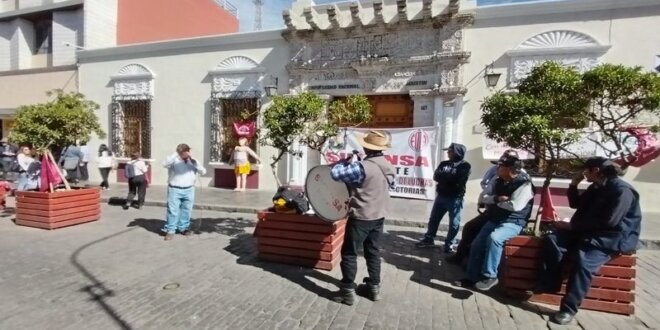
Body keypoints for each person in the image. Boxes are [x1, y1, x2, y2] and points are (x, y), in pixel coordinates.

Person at [532, 157, 641, 325]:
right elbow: (576, 204)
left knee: (583, 262)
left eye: (586, 170)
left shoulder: (622, 190)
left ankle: (568, 309)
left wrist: (572, 226)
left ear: (595, 171)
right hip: (586, 231)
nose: (583, 173)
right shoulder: (595, 186)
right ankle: (549, 284)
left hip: (610, 238)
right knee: (552, 239)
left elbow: (610, 222)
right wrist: (573, 185)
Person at [330, 130, 395, 305]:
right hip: (379, 215)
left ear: (366, 147)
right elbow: (390, 185)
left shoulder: (362, 167)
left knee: (350, 253)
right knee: (373, 252)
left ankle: (348, 291)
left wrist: (344, 161)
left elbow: (335, 173)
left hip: (361, 216)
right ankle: (373, 288)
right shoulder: (388, 165)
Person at [458, 154, 534, 291]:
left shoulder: (525, 184)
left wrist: (494, 202)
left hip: (514, 221)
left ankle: (490, 275)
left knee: (495, 239)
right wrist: (497, 199)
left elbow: (515, 206)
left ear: (511, 169)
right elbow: (484, 197)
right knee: (476, 244)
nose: (497, 168)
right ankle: (471, 277)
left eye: (500, 166)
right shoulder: (497, 180)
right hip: (495, 218)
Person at [446, 149, 523, 265]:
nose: (500, 167)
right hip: (492, 210)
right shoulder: (496, 174)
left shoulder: (523, 179)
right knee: (470, 227)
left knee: (490, 237)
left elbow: (516, 203)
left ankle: (480, 266)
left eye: (506, 162)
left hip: (509, 217)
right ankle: (461, 255)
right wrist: (491, 198)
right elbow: (486, 188)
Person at [416, 143, 471, 253]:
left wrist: (445, 177)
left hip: (455, 198)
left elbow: (458, 179)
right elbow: (436, 176)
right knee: (434, 219)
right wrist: (448, 177)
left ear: (457, 152)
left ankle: (449, 244)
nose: (447, 153)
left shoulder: (465, 166)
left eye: (450, 151)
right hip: (441, 196)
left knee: (454, 223)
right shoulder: (444, 163)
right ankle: (429, 239)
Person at [162, 143, 206, 241]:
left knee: (187, 210)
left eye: (188, 151)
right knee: (172, 211)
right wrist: (176, 154)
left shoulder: (193, 161)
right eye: (184, 151)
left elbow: (203, 171)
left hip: (189, 189)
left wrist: (194, 162)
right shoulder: (174, 160)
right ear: (180, 152)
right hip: (175, 189)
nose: (187, 153)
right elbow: (164, 163)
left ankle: (183, 228)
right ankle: (170, 230)